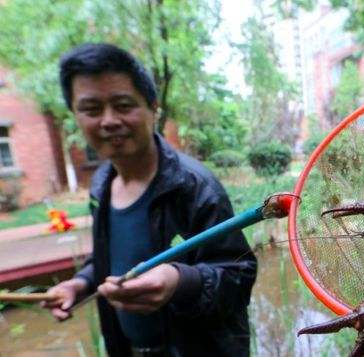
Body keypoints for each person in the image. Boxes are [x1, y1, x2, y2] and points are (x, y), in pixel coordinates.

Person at [42, 43, 257, 357]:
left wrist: (180, 281)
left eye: (123, 104)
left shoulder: (195, 186)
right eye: (91, 110)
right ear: (76, 116)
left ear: (152, 107)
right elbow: (108, 258)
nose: (109, 120)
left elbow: (240, 274)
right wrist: (81, 283)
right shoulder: (101, 183)